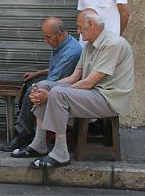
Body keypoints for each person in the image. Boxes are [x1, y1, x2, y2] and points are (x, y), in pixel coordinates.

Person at [11, 9, 134, 169]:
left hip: (108, 98)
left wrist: (53, 94)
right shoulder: (90, 46)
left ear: (90, 24)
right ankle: (39, 142)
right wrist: (47, 90)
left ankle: (60, 153)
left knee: (58, 94)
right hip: (92, 93)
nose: (77, 31)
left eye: (79, 27)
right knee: (43, 86)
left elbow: (89, 82)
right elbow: (75, 77)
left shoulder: (113, 44)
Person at [0, 17, 82, 152]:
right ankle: (23, 122)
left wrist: (38, 83)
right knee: (29, 83)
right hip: (56, 81)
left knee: (33, 89)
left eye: (48, 37)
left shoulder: (71, 52)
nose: (46, 41)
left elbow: (54, 81)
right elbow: (55, 69)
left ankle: (24, 134)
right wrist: (37, 73)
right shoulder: (62, 44)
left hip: (63, 89)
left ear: (60, 34)